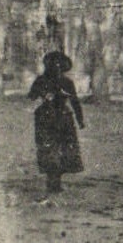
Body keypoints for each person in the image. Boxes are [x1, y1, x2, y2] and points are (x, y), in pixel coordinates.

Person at [28, 51, 85, 197]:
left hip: (54, 117)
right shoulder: (52, 81)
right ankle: (54, 181)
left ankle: (54, 182)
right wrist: (42, 93)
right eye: (55, 65)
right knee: (53, 149)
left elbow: (74, 101)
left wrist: (80, 119)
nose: (56, 68)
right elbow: (32, 95)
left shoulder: (61, 82)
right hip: (53, 117)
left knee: (56, 149)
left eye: (58, 65)